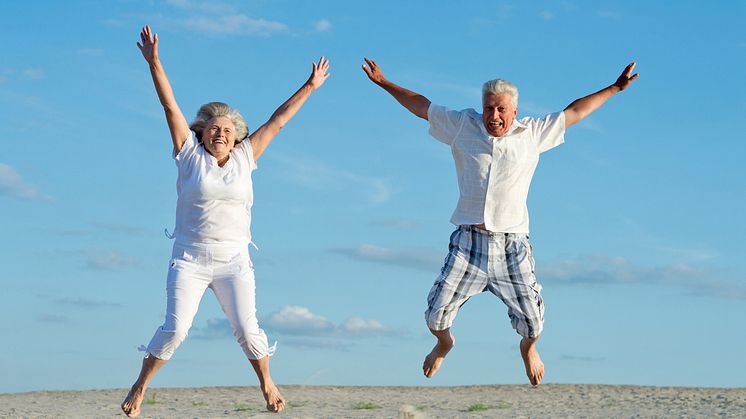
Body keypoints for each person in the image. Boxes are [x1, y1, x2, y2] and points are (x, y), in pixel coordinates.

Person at [362, 57, 638, 385]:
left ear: (515, 111)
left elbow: (575, 112)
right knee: (435, 315)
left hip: (512, 246)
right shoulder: (463, 124)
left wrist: (615, 88)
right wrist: (384, 83)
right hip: (469, 243)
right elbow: (422, 106)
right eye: (489, 108)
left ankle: (528, 350)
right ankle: (444, 344)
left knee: (534, 324)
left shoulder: (532, 133)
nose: (494, 116)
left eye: (501, 110)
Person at [121, 26, 330, 417]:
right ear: (202, 133)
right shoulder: (188, 154)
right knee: (176, 329)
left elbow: (279, 120)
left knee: (249, 330)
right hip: (189, 258)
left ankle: (268, 384)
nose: (220, 133)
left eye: (227, 130)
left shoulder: (246, 158)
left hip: (233, 259)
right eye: (213, 128)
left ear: (236, 138)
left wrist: (311, 85)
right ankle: (141, 384)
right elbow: (170, 108)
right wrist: (155, 63)